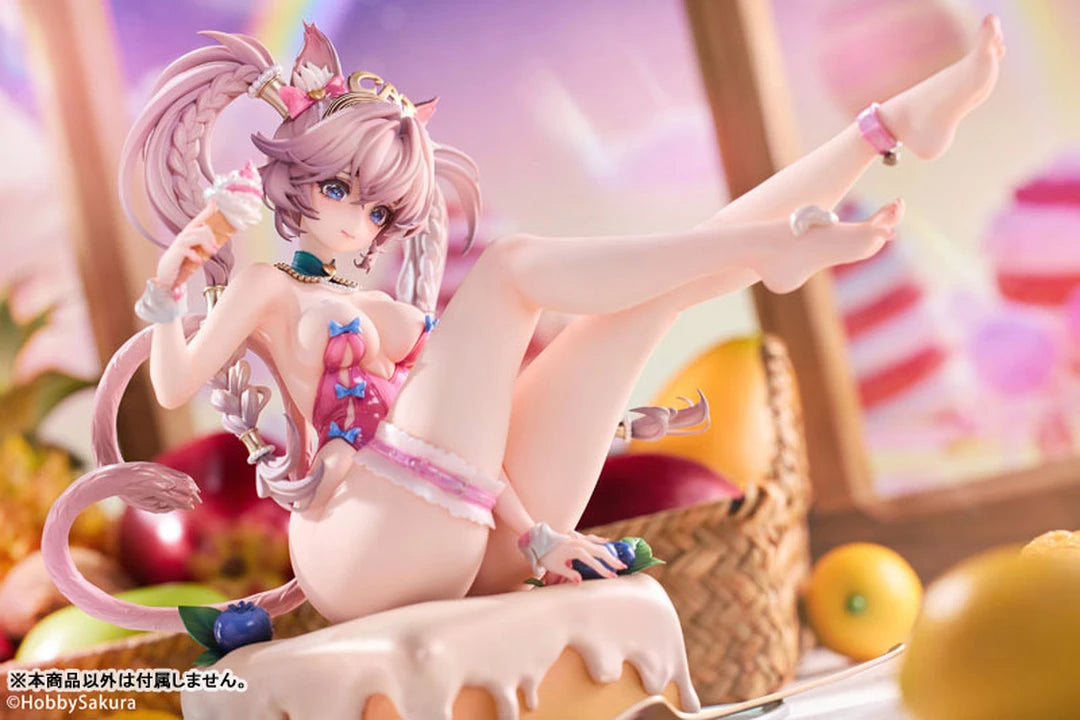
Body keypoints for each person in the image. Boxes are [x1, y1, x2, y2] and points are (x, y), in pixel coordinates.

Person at [42, 17, 1004, 630]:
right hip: (356, 547)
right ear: (295, 182)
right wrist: (170, 288)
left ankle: (880, 132)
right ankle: (766, 252)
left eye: (378, 208)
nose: (357, 221)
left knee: (640, 307)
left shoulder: (386, 308)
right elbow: (173, 384)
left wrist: (537, 535)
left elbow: (469, 439)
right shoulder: (263, 288)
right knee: (510, 270)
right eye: (341, 192)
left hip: (451, 528)